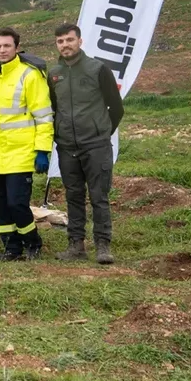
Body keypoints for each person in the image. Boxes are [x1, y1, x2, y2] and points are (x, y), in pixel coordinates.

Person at [51, 23, 124, 264]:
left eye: (69, 40)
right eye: (60, 41)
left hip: (96, 145)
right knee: (73, 195)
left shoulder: (98, 69)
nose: (65, 45)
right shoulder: (53, 74)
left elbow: (116, 107)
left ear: (80, 41)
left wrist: (101, 132)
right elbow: (53, 108)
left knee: (99, 196)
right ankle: (76, 245)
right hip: (67, 146)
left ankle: (103, 245)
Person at [0, 27, 52, 261]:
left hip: (20, 154)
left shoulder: (30, 75)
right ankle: (12, 249)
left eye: (7, 46)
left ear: (16, 47)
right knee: (1, 207)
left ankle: (33, 242)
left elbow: (43, 116)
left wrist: (42, 150)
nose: (2, 50)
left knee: (17, 204)